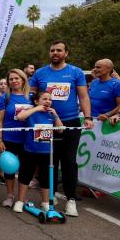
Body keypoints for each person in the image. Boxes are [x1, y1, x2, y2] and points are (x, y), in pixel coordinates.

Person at [29, 40, 93, 217]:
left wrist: (87, 117)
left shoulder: (75, 72)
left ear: (66, 53)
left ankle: (71, 199)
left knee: (69, 161)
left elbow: (84, 96)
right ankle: (49, 196)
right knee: (48, 160)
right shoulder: (40, 73)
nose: (55, 53)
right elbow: (31, 96)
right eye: (52, 50)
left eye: (59, 50)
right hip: (45, 123)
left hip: (70, 122)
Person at [14, 91, 64, 213]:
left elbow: (60, 130)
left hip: (46, 152)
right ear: (36, 101)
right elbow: (20, 117)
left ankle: (45, 202)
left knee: (45, 177)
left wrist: (56, 115)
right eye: (45, 99)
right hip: (29, 149)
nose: (48, 101)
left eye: (50, 99)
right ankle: (20, 201)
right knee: (25, 176)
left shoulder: (51, 113)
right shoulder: (31, 111)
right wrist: (36, 109)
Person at [0, 69, 32, 207]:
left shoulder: (31, 97)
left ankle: (22, 197)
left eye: (17, 78)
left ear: (23, 80)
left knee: (25, 169)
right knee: (9, 169)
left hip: (28, 140)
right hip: (9, 139)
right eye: (11, 79)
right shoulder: (4, 98)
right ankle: (9, 196)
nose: (14, 81)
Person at [89, 58, 120, 125]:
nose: (95, 69)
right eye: (95, 67)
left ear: (109, 69)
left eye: (98, 67)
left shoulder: (118, 84)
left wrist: (108, 114)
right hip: (91, 121)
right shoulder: (93, 82)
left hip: (107, 123)